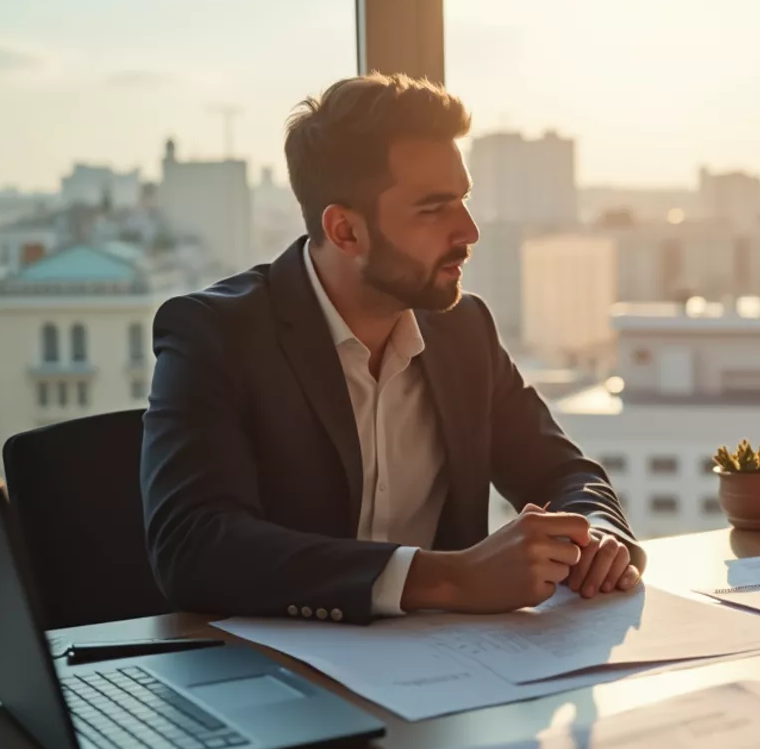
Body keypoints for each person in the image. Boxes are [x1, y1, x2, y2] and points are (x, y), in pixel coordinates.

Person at [141, 73, 643, 625]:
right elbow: (194, 546)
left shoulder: (464, 329)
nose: (469, 231)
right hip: (272, 677)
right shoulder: (216, 333)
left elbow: (562, 471)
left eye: (464, 200)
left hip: (454, 671)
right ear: (346, 231)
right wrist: (450, 577)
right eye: (433, 209)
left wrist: (598, 534)